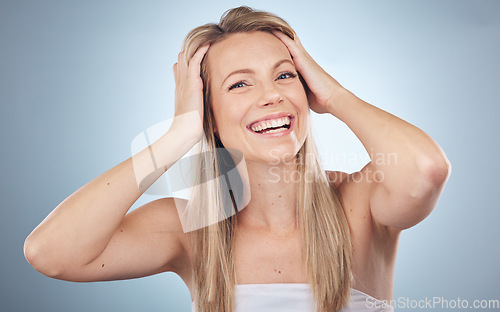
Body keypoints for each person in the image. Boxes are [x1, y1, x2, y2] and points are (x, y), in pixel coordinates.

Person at [23, 6, 451, 312]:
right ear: (207, 114)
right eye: (239, 85)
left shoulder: (358, 204)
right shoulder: (189, 226)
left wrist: (335, 96)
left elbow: (424, 172)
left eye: (285, 75)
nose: (271, 96)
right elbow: (51, 253)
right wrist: (178, 135)